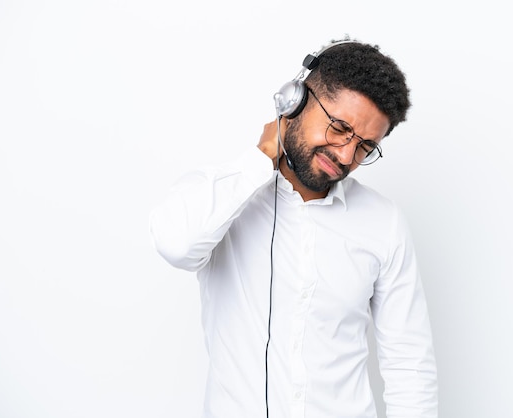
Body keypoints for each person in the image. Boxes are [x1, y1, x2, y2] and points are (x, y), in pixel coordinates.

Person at [149, 38, 437, 418]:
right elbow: (175, 244)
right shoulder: (224, 195)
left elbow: (409, 365)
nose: (346, 156)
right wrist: (260, 158)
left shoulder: (384, 223)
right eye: (338, 128)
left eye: (366, 147)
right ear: (296, 101)